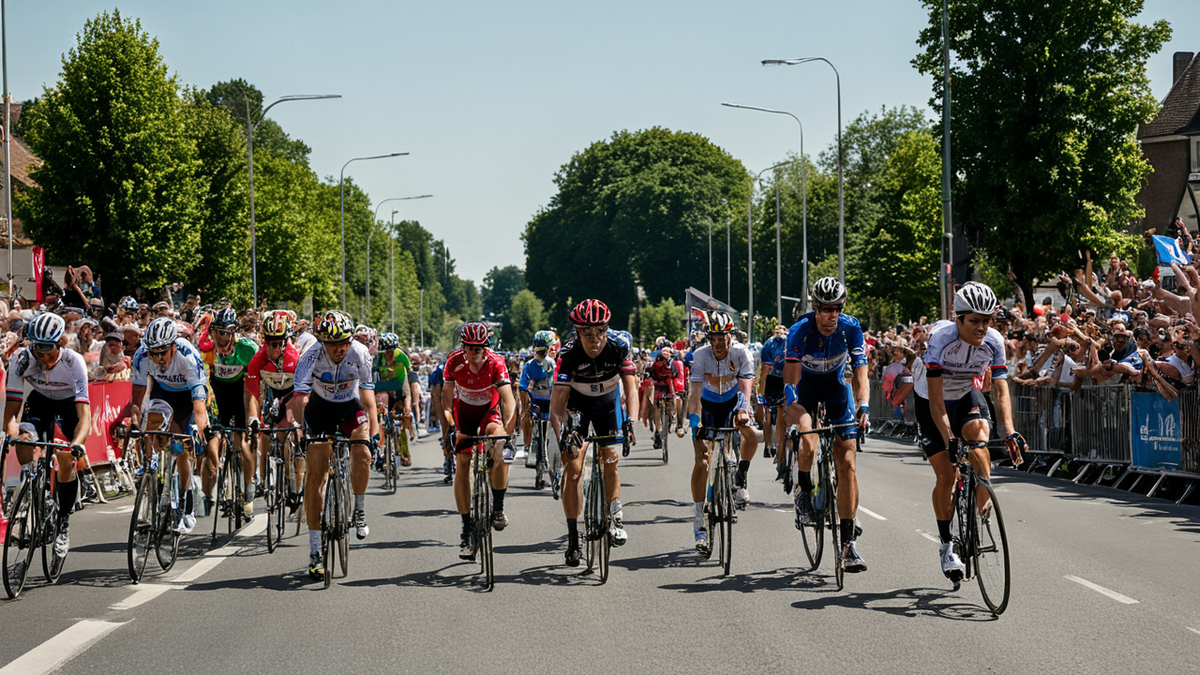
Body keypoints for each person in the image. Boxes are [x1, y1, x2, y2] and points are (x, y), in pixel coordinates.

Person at [912, 282, 1026, 583]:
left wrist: (1010, 431)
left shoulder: (995, 341)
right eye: (974, 320)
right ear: (958, 318)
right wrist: (949, 438)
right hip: (930, 400)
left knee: (980, 446)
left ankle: (975, 517)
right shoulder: (940, 341)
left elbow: (1001, 390)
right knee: (946, 475)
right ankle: (947, 545)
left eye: (987, 321)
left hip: (964, 394)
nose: (982, 327)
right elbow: (937, 403)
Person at [784, 277, 870, 573]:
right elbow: (791, 382)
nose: (831, 315)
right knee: (808, 441)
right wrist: (794, 413)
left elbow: (861, 372)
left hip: (836, 388)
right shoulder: (799, 331)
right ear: (815, 307)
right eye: (825, 309)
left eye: (836, 309)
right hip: (804, 390)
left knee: (847, 460)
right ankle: (803, 492)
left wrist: (864, 407)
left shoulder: (851, 327)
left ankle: (848, 547)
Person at [288, 310, 379, 581]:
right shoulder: (311, 356)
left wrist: (373, 432)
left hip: (350, 406)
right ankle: (315, 551)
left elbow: (368, 394)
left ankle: (359, 510)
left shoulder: (360, 352)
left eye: (345, 343)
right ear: (323, 342)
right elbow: (298, 398)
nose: (340, 349)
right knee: (316, 471)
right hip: (320, 409)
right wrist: (304, 432)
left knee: (362, 452)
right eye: (334, 344)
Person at [549, 299, 639, 566]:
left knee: (610, 456)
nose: (595, 339)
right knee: (574, 468)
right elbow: (557, 405)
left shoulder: (618, 347)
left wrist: (631, 421)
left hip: (608, 405)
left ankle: (616, 514)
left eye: (600, 331)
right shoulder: (568, 355)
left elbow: (631, 388)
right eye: (587, 333)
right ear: (577, 332)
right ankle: (574, 537)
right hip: (579, 408)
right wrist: (565, 432)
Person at [3, 313, 91, 557]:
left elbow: (85, 416)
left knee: (66, 458)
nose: (42, 356)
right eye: (37, 348)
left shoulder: (74, 362)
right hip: (40, 402)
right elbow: (11, 410)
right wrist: (10, 435)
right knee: (23, 447)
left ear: (60, 342)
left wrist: (77, 444)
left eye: (48, 348)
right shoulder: (21, 358)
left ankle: (63, 521)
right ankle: (34, 489)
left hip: (69, 406)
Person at [123, 317, 211, 534]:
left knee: (180, 446)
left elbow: (199, 406)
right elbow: (137, 397)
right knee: (150, 420)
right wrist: (136, 424)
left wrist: (203, 429)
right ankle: (150, 466)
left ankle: (185, 500)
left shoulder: (188, 356)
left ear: (173, 346)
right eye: (155, 352)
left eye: (164, 352)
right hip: (163, 392)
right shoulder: (143, 356)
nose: (159, 357)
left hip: (187, 396)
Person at [440, 323, 516, 559]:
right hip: (464, 415)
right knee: (463, 462)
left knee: (501, 446)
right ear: (464, 347)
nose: (476, 353)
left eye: (481, 348)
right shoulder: (454, 362)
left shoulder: (496, 362)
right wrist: (451, 427)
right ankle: (466, 527)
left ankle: (498, 508)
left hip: (489, 414)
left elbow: (508, 401)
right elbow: (446, 399)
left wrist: (508, 433)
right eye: (471, 348)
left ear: (487, 347)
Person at [685, 311, 757, 554]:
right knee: (701, 460)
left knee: (748, 432)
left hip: (732, 402)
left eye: (722, 337)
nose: (718, 342)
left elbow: (745, 388)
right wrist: (694, 419)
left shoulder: (741, 353)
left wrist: (743, 411)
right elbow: (694, 394)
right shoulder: (700, 356)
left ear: (730, 337)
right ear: (709, 338)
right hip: (706, 404)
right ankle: (698, 520)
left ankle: (740, 476)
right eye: (713, 337)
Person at [202, 307, 260, 518]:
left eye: (226, 332)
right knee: (212, 443)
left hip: (240, 395)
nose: (221, 337)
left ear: (233, 331)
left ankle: (248, 492)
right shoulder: (207, 349)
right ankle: (210, 492)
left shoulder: (247, 348)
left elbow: (255, 384)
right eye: (217, 331)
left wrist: (254, 414)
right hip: (217, 395)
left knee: (241, 444)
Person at [245, 310, 302, 511]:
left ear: (285, 342)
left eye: (276, 343)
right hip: (272, 395)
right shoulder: (259, 358)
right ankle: (267, 478)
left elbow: (302, 393)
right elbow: (252, 394)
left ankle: (296, 481)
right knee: (268, 431)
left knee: (293, 432)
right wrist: (253, 417)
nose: (271, 348)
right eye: (268, 342)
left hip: (293, 394)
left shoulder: (294, 358)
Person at [372, 333, 413, 466]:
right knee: (381, 419)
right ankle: (382, 452)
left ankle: (404, 451)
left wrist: (408, 407)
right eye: (385, 351)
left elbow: (408, 382)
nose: (388, 354)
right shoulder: (377, 359)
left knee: (405, 417)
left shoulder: (400, 357)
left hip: (399, 389)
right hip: (383, 391)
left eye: (390, 351)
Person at [756, 324, 788, 476]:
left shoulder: (773, 343)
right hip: (778, 379)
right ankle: (771, 446)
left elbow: (764, 371)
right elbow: (764, 371)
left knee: (774, 414)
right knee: (772, 413)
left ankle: (774, 448)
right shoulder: (772, 343)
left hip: (782, 378)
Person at [518, 331, 556, 458]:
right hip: (534, 399)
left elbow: (555, 383)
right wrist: (526, 405)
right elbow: (523, 387)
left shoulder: (552, 363)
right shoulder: (529, 365)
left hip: (549, 398)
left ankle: (557, 445)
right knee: (526, 415)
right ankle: (527, 444)